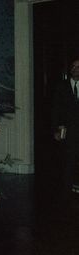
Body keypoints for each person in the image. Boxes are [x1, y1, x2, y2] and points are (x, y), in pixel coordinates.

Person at [51, 58, 79, 198]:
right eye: (73, 66)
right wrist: (56, 128)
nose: (75, 69)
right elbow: (55, 109)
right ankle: (66, 191)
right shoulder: (62, 86)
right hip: (67, 131)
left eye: (78, 67)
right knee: (68, 160)